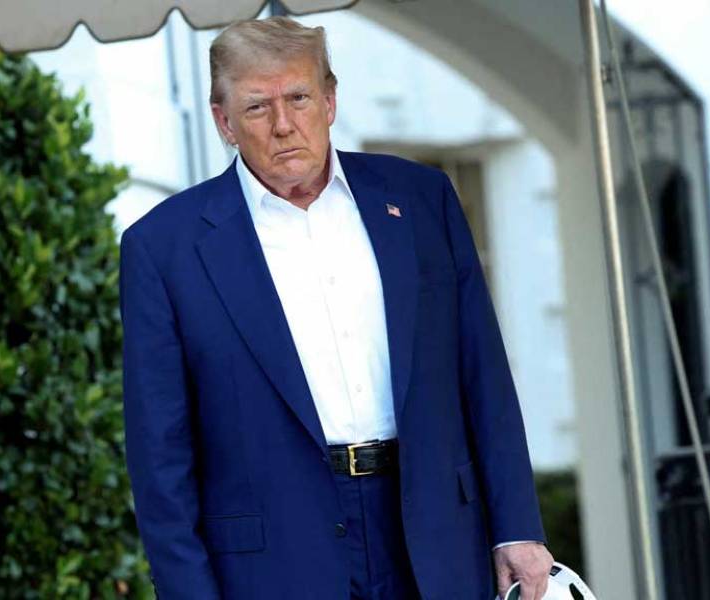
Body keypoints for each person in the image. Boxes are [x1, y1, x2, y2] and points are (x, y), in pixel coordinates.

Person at [119, 15, 553, 600]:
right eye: (256, 107)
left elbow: (483, 376)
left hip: (435, 533)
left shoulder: (422, 201)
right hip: (273, 559)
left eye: (298, 97)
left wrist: (517, 529)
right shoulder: (162, 247)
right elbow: (159, 453)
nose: (282, 125)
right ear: (223, 122)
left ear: (329, 101)